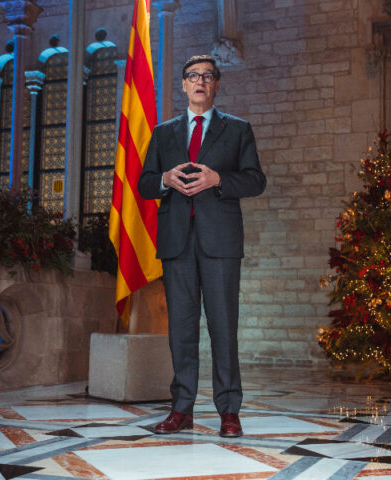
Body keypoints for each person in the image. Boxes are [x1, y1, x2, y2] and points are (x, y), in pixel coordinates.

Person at [138, 55, 266, 438]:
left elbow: (256, 180)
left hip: (221, 242)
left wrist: (218, 179)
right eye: (193, 76)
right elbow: (144, 184)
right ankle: (182, 409)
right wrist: (164, 179)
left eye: (208, 76)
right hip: (176, 241)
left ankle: (229, 411)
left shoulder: (237, 129)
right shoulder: (163, 133)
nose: (200, 81)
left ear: (216, 85)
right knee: (180, 328)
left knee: (223, 326)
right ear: (183, 85)